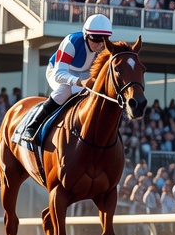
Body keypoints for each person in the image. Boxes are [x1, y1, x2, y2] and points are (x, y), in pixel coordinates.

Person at [19, 13, 113, 144]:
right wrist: (79, 82)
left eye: (104, 40)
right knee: (65, 90)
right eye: (96, 39)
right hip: (59, 70)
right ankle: (33, 126)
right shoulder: (71, 42)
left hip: (84, 74)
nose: (100, 44)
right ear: (86, 35)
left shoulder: (104, 49)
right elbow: (59, 74)